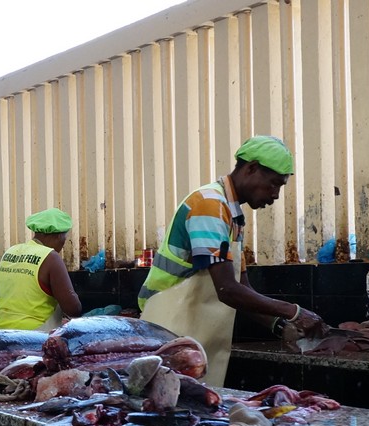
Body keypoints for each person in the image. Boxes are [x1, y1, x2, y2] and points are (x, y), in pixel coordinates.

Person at [138, 135, 325, 386]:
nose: (276, 195)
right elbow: (227, 290)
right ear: (251, 168)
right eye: (273, 184)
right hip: (167, 332)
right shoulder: (209, 205)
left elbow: (242, 288)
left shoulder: (232, 215)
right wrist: (293, 312)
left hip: (193, 338)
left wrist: (279, 326)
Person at [0, 208, 83, 331]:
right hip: (32, 336)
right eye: (65, 237)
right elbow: (73, 308)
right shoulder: (51, 257)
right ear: (58, 235)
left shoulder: (11, 251)